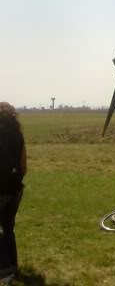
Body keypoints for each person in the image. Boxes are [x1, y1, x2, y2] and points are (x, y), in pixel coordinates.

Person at [0, 102, 26, 283]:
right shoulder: (19, 135)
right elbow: (24, 165)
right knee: (8, 229)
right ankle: (13, 268)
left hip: (1, 191)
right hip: (16, 190)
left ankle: (5, 269)